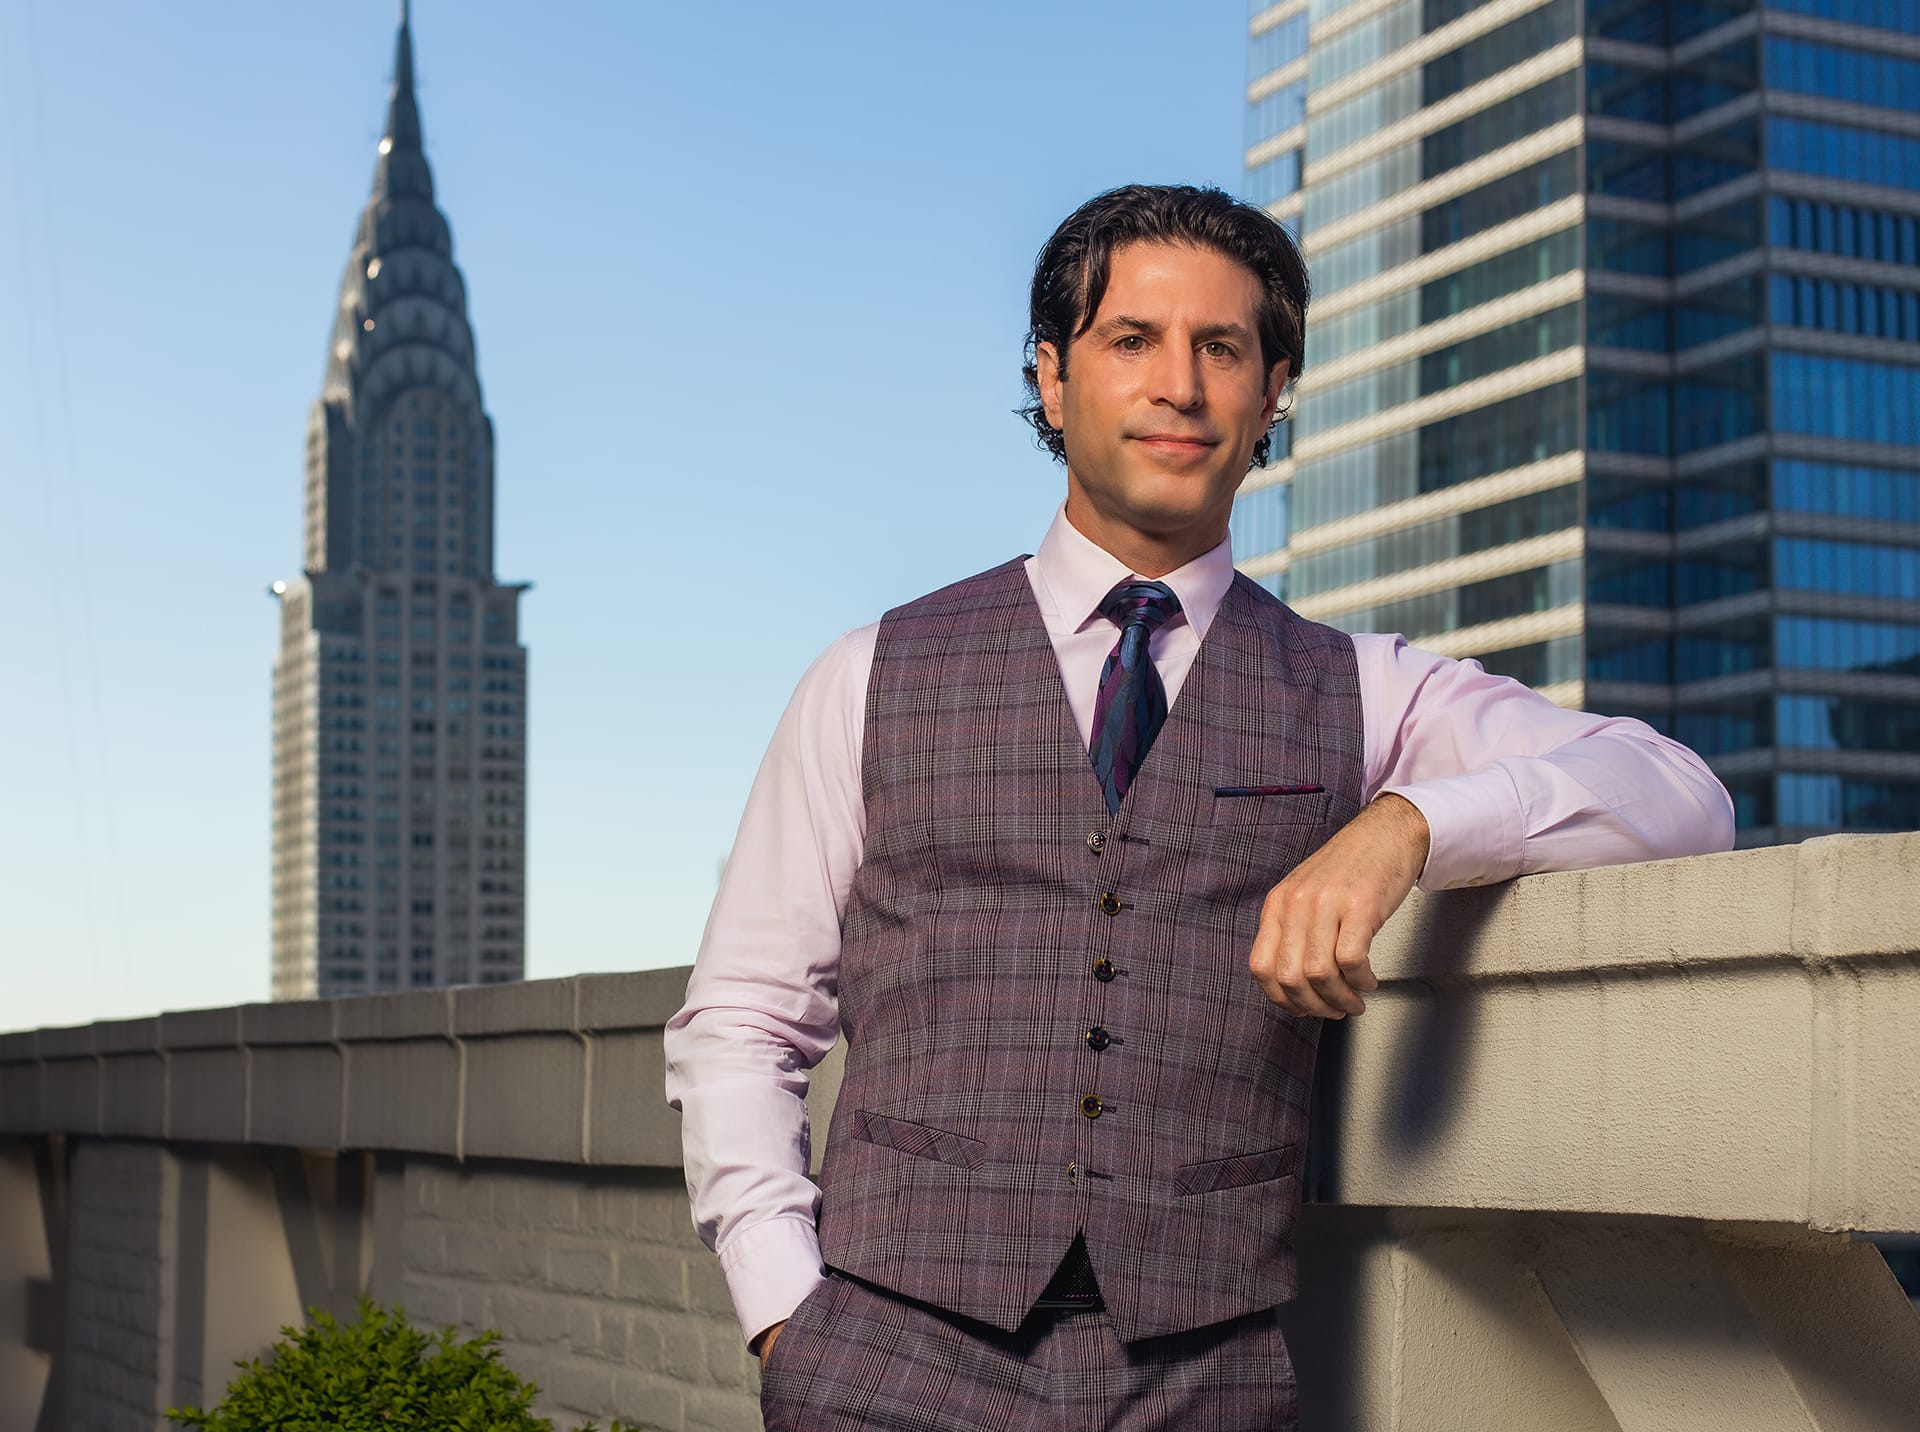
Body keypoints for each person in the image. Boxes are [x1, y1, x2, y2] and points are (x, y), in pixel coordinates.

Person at [664, 184, 1734, 1431]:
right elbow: (743, 1018)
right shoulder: (871, 673)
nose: (1181, 384)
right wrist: (788, 1314)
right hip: (886, 1362)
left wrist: (1409, 829)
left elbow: (1680, 797)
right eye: (1134, 341)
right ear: (1053, 379)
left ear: (1271, 391)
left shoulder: (1364, 689)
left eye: (1221, 348)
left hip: (1209, 1382)